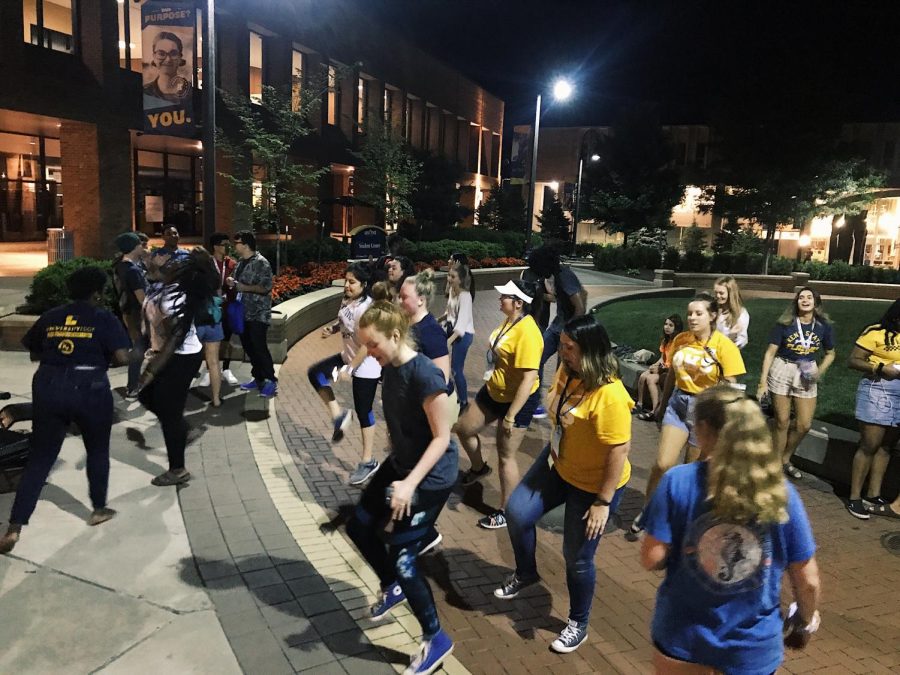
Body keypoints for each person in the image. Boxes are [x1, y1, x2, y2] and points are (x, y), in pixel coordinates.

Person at [640, 386, 821, 674]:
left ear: (702, 429)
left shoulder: (677, 481)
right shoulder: (781, 493)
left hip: (682, 638)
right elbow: (807, 579)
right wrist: (805, 619)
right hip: (750, 647)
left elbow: (652, 558)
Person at [495, 316, 633, 654]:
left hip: (594, 484)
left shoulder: (611, 395)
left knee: (577, 558)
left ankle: (578, 622)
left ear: (590, 352)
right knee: (516, 512)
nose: (562, 352)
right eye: (563, 345)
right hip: (557, 462)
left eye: (569, 348)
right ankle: (526, 573)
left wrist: (603, 501)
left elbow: (619, 450)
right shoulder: (567, 371)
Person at [348, 301, 457, 675]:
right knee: (359, 524)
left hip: (431, 477)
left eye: (373, 344)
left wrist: (409, 484)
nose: (369, 353)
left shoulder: (424, 374)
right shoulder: (389, 367)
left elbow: (442, 438)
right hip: (402, 466)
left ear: (395, 335)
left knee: (404, 558)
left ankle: (435, 637)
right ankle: (392, 586)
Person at [0, 266, 131, 554]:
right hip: (90, 387)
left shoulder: (51, 316)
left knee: (40, 458)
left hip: (48, 384)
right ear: (97, 293)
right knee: (97, 450)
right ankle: (98, 509)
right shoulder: (104, 318)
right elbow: (122, 357)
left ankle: (14, 527)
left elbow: (34, 351)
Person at [632, 293, 746, 533]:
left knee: (690, 471)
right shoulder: (681, 339)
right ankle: (648, 509)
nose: (692, 318)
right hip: (678, 403)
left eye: (699, 313)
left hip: (704, 410)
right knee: (662, 463)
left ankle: (683, 521)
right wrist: (662, 406)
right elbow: (672, 373)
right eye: (690, 313)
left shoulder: (724, 346)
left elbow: (731, 385)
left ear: (712, 315)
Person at [455, 279, 543, 530]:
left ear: (518, 303)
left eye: (505, 296)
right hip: (494, 389)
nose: (499, 298)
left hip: (517, 401)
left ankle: (506, 511)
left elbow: (529, 379)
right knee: (463, 428)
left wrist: (511, 415)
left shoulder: (529, 332)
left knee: (506, 456)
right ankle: (478, 468)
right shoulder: (510, 321)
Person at [138, 249, 216, 486]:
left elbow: (176, 337)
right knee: (149, 398)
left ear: (176, 270)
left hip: (180, 357)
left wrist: (150, 371)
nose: (162, 257)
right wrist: (152, 270)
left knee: (168, 412)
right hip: (170, 354)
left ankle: (178, 469)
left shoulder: (175, 298)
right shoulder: (167, 285)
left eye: (167, 260)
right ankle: (184, 429)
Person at [308, 262, 382, 485]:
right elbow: (345, 321)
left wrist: (349, 369)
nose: (347, 285)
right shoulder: (348, 300)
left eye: (352, 282)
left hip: (367, 366)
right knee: (316, 374)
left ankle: (368, 461)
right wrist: (333, 329)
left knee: (363, 411)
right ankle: (338, 416)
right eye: (346, 281)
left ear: (364, 284)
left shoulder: (366, 309)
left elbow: (367, 344)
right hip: (347, 357)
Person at [757, 287, 835, 481]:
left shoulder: (823, 326)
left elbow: (831, 353)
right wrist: (762, 382)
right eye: (801, 297)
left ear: (816, 303)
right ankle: (775, 465)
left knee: (804, 425)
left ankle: (785, 458)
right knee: (782, 421)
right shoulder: (785, 324)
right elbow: (770, 353)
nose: (805, 300)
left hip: (807, 371)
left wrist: (819, 371)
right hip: (783, 368)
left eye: (809, 297)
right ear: (796, 302)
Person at [846, 299, 900, 519]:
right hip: (878, 388)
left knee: (887, 445)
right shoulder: (875, 331)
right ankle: (854, 497)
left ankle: (873, 494)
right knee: (870, 444)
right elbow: (853, 360)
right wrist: (880, 367)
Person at [527, 246, 587, 417]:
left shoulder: (565, 276)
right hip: (556, 328)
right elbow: (567, 297)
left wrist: (569, 334)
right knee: (536, 357)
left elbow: (580, 307)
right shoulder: (558, 276)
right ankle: (535, 401)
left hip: (566, 332)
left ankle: (560, 406)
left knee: (563, 370)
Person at [228, 230, 277, 398]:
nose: (234, 246)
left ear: (246, 245)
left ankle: (271, 380)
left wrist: (243, 287)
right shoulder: (240, 263)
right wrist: (231, 282)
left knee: (259, 347)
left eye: (237, 243)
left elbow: (265, 287)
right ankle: (258, 378)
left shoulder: (261, 263)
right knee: (249, 347)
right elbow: (237, 283)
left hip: (258, 314)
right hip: (243, 313)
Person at [196, 232, 239, 387]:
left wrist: (232, 287)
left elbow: (237, 286)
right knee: (210, 342)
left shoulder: (232, 264)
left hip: (227, 307)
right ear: (215, 246)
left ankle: (226, 369)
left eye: (228, 244)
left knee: (227, 340)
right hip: (210, 308)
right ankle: (210, 371)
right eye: (224, 244)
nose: (227, 247)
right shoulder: (207, 264)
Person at [113, 232, 148, 398]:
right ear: (134, 247)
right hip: (138, 315)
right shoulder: (133, 271)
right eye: (140, 244)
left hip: (127, 312)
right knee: (139, 349)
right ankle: (133, 385)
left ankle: (135, 383)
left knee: (140, 348)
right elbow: (142, 299)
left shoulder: (120, 265)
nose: (143, 246)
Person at [635, 314, 683, 421]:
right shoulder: (665, 341)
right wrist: (655, 365)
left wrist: (660, 369)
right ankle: (640, 404)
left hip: (669, 372)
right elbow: (662, 358)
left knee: (650, 379)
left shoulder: (678, 343)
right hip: (662, 368)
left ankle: (655, 410)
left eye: (671, 325)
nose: (667, 327)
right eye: (666, 324)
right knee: (643, 376)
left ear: (677, 328)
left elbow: (674, 365)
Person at [440, 263, 475, 411]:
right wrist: (436, 320)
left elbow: (460, 327)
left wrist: (447, 342)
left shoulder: (465, 296)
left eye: (453, 277)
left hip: (463, 336)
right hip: (453, 333)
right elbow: (449, 313)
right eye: (449, 275)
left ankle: (463, 401)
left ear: (461, 280)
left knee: (456, 370)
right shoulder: (453, 292)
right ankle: (454, 398)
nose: (449, 278)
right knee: (450, 368)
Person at [143, 31, 192, 105]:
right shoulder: (145, 91)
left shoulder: (190, 91)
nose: (168, 59)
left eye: (173, 53)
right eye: (161, 54)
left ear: (180, 57)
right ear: (154, 56)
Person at [713, 275, 750, 349]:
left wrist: (731, 336)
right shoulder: (712, 309)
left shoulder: (741, 314)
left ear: (730, 294)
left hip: (727, 353)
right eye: (716, 292)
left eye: (721, 293)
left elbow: (742, 341)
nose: (718, 296)